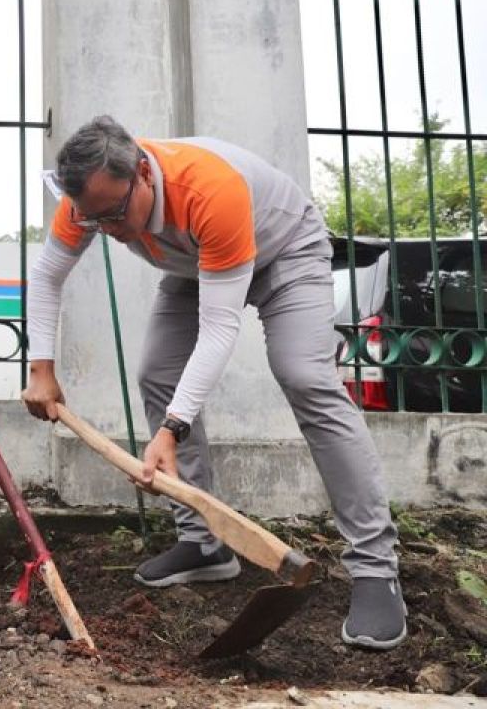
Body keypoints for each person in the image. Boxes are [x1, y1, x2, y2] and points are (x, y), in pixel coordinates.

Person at [21, 115, 407, 651]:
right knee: (157, 372)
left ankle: (375, 570)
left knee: (304, 375)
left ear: (143, 175)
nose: (104, 230)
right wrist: (41, 369)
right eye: (92, 221)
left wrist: (170, 431)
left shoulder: (208, 187)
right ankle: (204, 545)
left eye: (112, 215)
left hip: (284, 253)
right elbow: (46, 275)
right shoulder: (87, 200)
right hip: (195, 264)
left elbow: (219, 327)